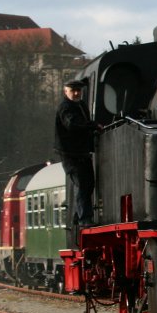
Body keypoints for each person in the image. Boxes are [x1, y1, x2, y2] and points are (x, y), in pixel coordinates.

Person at [55, 79, 97, 226]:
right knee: (82, 184)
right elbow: (72, 124)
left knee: (89, 183)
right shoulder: (65, 107)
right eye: (73, 90)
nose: (77, 93)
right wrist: (92, 126)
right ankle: (84, 218)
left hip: (82, 152)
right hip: (70, 154)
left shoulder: (81, 106)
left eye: (79, 90)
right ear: (66, 91)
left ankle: (77, 216)